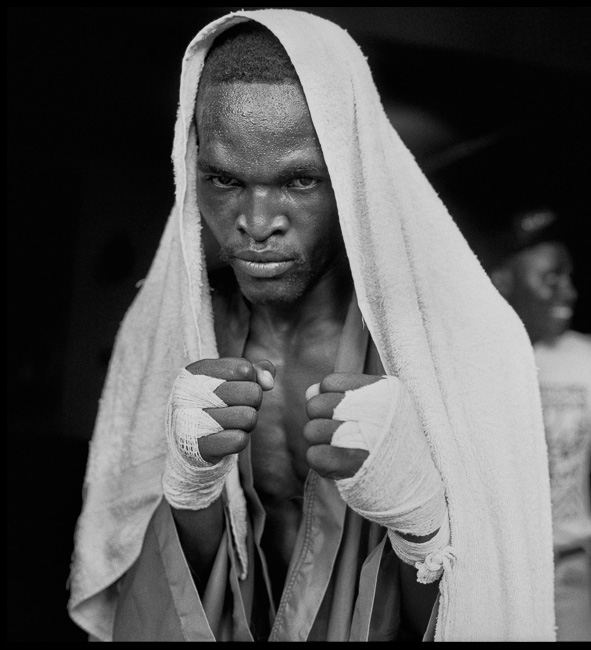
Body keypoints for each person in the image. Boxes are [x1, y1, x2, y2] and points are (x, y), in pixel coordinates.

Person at [67, 10, 557, 642]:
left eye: (298, 179)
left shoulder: (461, 347)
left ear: (353, 178)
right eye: (224, 179)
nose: (256, 219)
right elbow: (155, 598)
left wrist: (421, 523)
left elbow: (488, 609)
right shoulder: (173, 337)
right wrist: (190, 493)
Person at [483, 207, 591, 641]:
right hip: (486, 574)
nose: (569, 292)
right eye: (552, 278)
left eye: (570, 277)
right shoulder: (469, 364)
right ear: (503, 281)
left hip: (567, 570)